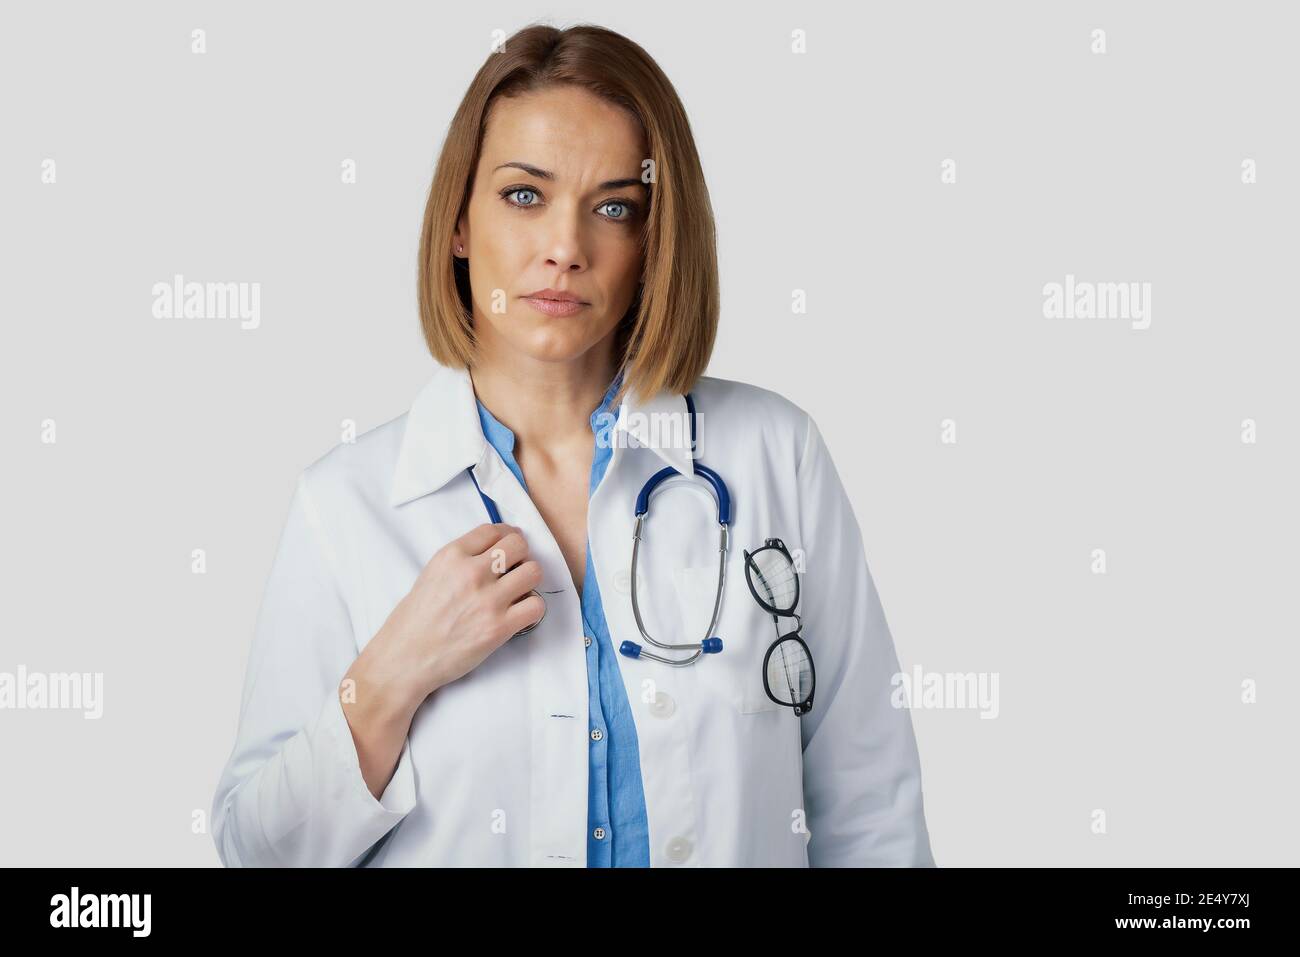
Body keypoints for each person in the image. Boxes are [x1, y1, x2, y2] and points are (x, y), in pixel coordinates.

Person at [211, 22, 934, 868]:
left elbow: (871, 813)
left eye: (615, 208)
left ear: (653, 245)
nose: (566, 248)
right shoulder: (345, 504)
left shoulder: (779, 458)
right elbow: (255, 850)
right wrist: (389, 677)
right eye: (525, 196)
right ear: (457, 224)